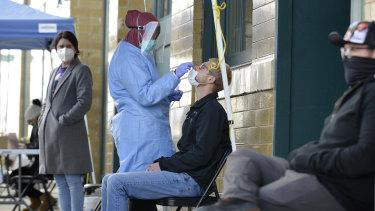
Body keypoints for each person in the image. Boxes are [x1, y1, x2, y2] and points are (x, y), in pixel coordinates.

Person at [195, 21, 375, 211]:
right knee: (243, 157)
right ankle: (239, 204)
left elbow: (366, 156)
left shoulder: (371, 93)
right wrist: (308, 153)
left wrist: (311, 158)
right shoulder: (357, 92)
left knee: (262, 199)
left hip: (339, 189)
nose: (347, 56)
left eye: (354, 49)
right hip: (313, 173)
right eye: (345, 49)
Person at [101, 58, 232, 211]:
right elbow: (187, 152)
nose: (196, 67)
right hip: (183, 175)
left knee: (117, 183)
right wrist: (160, 162)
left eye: (202, 67)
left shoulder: (211, 111)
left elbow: (200, 156)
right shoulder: (200, 109)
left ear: (211, 79)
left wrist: (163, 165)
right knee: (107, 180)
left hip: (191, 181)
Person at [38, 31, 93, 211]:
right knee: (60, 182)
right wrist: (42, 122)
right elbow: (47, 101)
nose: (64, 50)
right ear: (55, 49)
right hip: (51, 135)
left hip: (70, 134)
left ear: (76, 49)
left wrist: (65, 119)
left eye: (68, 46)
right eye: (61, 46)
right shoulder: (54, 72)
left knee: (73, 181)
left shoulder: (81, 70)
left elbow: (84, 101)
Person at [8, 99, 57, 211]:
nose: (30, 123)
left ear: (36, 115)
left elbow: (38, 146)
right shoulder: (37, 126)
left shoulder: (43, 125)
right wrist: (25, 146)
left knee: (17, 178)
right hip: (37, 163)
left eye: (31, 120)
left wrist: (25, 147)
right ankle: (38, 200)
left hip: (43, 165)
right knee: (15, 176)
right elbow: (34, 145)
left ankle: (46, 198)